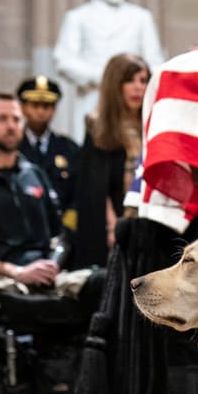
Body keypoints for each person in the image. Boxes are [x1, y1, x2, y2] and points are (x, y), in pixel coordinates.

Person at [0, 93, 90, 297]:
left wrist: (52, 265)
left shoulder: (35, 175)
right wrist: (16, 272)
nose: (11, 126)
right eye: (2, 119)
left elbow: (59, 234)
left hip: (43, 274)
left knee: (100, 284)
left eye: (17, 119)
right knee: (20, 300)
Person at [53, 0, 164, 140]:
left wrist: (136, 82)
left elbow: (154, 60)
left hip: (133, 103)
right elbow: (63, 59)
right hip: (94, 97)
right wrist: (102, 78)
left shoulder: (140, 17)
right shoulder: (78, 17)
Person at [71, 54, 149, 269]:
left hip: (147, 221)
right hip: (113, 221)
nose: (138, 88)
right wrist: (112, 225)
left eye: (143, 81)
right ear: (115, 84)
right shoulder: (99, 126)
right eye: (130, 80)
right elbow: (95, 188)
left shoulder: (152, 124)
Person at [16, 76, 81, 239]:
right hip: (20, 230)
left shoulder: (69, 148)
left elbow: (79, 191)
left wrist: (66, 226)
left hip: (61, 232)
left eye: (47, 105)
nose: (40, 111)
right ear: (23, 108)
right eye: (35, 105)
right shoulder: (13, 146)